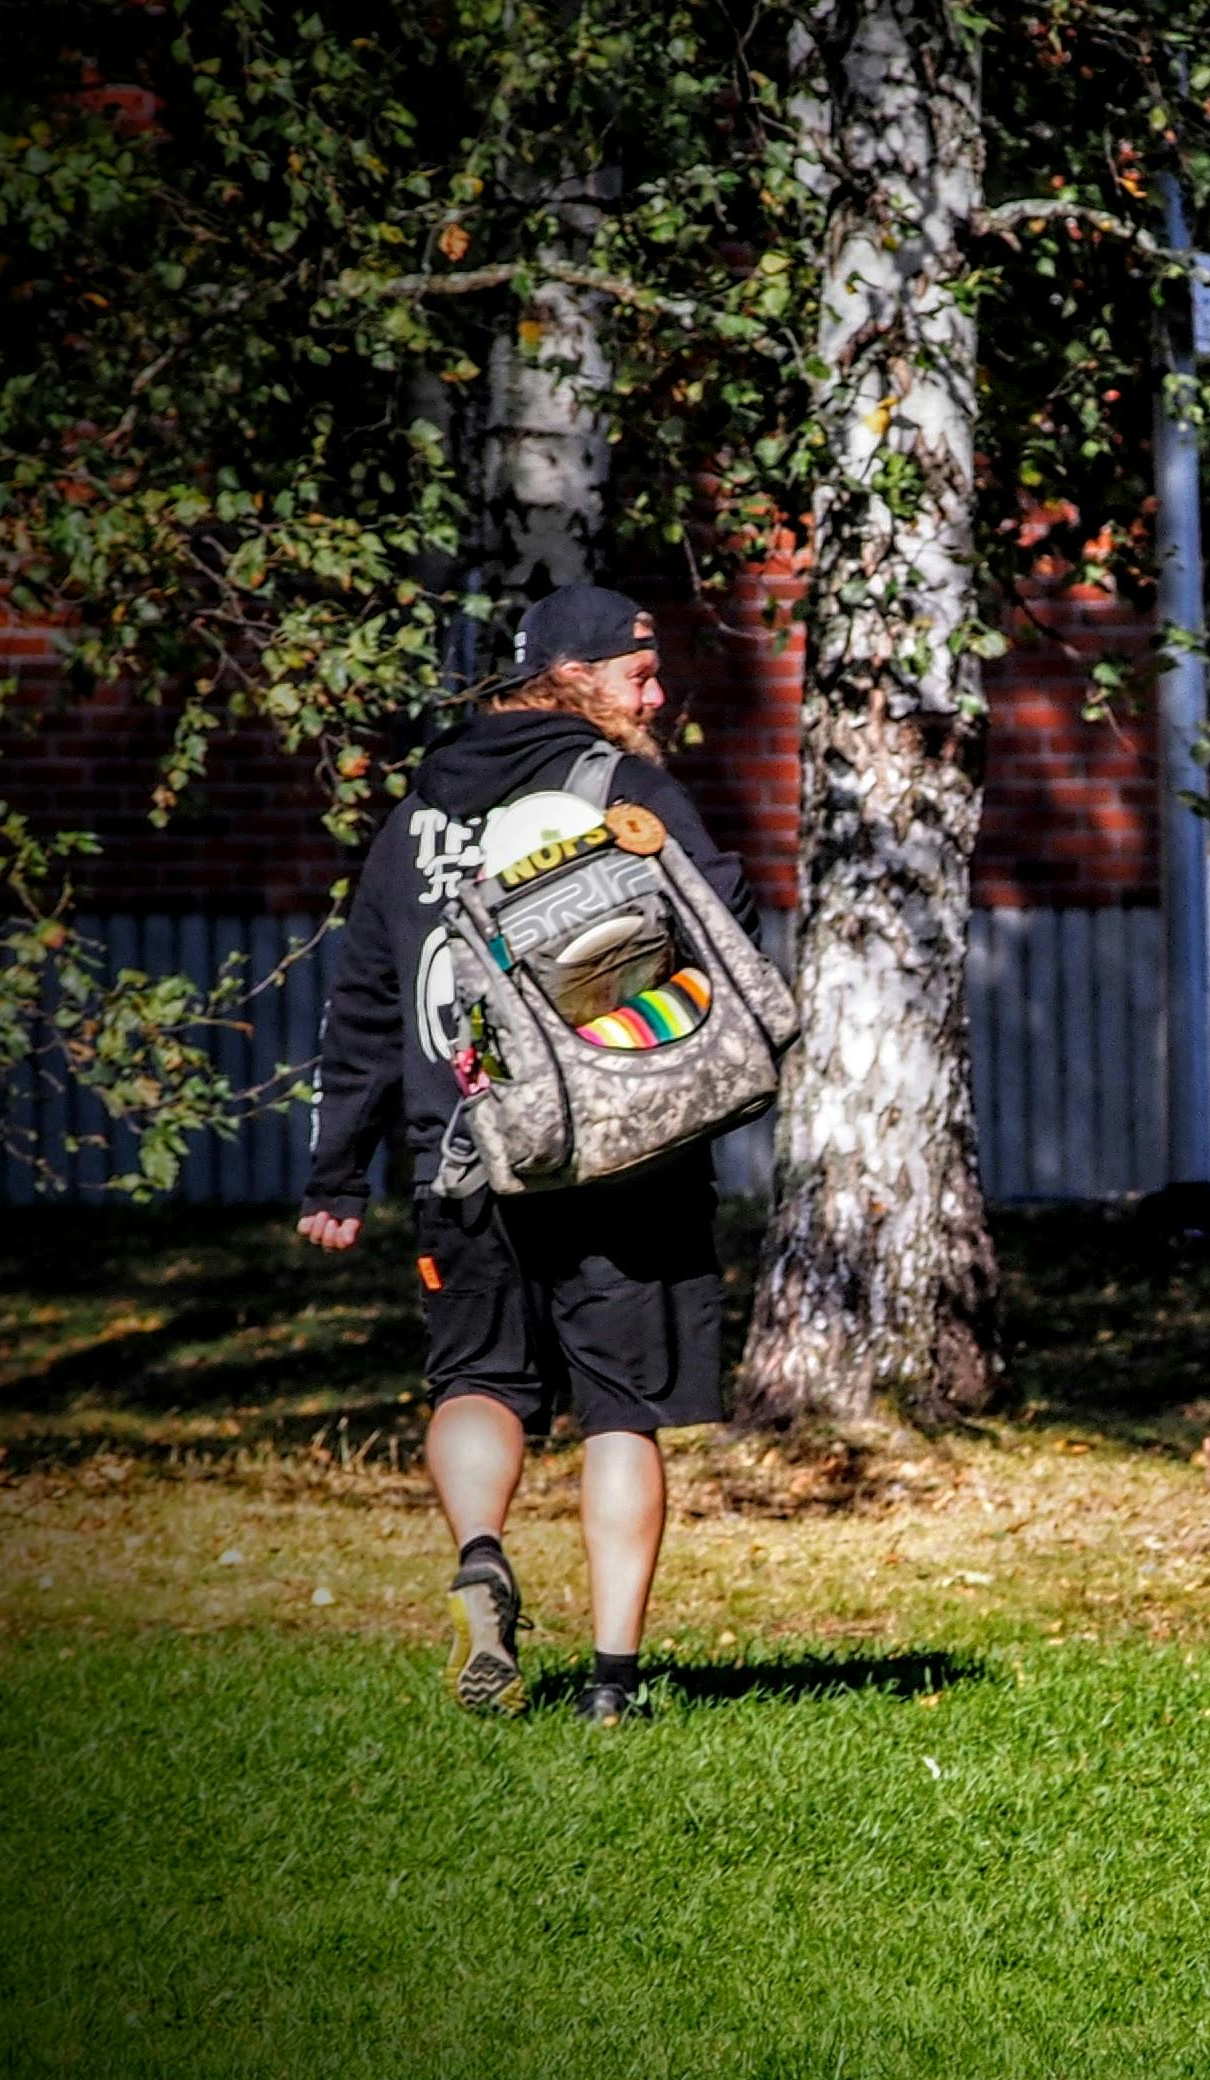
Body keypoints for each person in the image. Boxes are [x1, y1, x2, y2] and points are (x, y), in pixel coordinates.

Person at [297, 584, 759, 1726]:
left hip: (458, 1145)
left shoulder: (415, 815)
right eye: (637, 674)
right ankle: (612, 1683)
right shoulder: (622, 789)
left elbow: (362, 994)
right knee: (620, 1408)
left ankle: (483, 1550)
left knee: (474, 1382)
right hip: (619, 1149)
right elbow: (726, 903)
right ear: (569, 676)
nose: (655, 695)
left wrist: (336, 1171)